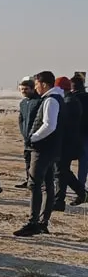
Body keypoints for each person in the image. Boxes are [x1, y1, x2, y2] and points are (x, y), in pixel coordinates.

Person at [15, 71, 63, 237]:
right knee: (47, 185)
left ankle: (33, 222)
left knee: (35, 184)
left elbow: (49, 125)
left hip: (42, 148)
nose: (35, 88)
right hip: (49, 148)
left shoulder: (50, 100)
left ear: (43, 84)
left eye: (36, 84)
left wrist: (34, 137)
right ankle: (42, 222)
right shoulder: (53, 98)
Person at [53, 77, 87, 209]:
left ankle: (66, 198)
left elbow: (64, 125)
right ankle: (61, 200)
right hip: (69, 142)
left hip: (67, 143)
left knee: (60, 171)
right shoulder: (69, 100)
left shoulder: (69, 102)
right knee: (62, 171)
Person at [16, 78, 41, 188]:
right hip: (26, 137)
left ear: (32, 89)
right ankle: (28, 180)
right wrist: (24, 133)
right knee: (27, 160)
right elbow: (21, 119)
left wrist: (34, 134)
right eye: (22, 89)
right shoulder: (23, 103)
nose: (23, 91)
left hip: (37, 137)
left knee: (36, 162)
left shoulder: (38, 101)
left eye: (26, 89)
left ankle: (36, 182)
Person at [72, 75, 88, 188]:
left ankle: (80, 187)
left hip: (76, 133)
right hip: (85, 132)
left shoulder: (72, 98)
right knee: (84, 160)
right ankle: (81, 185)